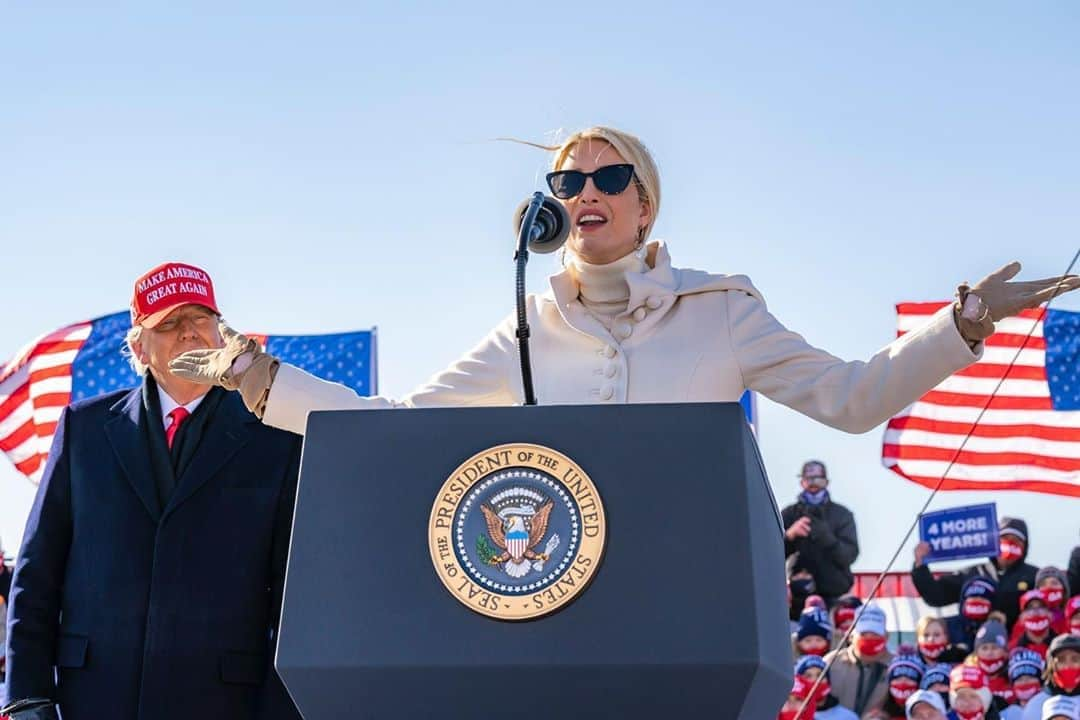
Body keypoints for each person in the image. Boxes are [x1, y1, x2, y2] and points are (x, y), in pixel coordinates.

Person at [168, 125, 1078, 453]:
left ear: (647, 206)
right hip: (559, 609)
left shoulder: (720, 309)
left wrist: (964, 325)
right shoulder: (529, 324)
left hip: (698, 607)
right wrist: (258, 380)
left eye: (609, 180)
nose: (587, 194)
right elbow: (404, 418)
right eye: (568, 184)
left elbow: (850, 398)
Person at [1, 263, 303, 720]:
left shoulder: (275, 437)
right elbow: (37, 573)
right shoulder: (83, 430)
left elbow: (290, 594)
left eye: (201, 318)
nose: (189, 333)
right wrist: (26, 696)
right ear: (139, 347)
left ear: (223, 335)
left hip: (223, 703)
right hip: (95, 700)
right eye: (170, 323)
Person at [914, 519, 1039, 630]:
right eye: (1005, 539)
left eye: (1016, 540)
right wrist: (920, 566)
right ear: (994, 542)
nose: (1010, 544)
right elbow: (935, 595)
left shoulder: (1034, 576)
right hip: (976, 647)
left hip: (1017, 646)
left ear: (1025, 546)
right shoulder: (973, 574)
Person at [782, 460, 860, 607]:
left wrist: (827, 538)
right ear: (802, 482)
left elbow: (850, 555)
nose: (813, 484)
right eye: (808, 479)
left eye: (818, 479)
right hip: (798, 598)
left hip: (835, 597)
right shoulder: (788, 514)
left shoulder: (842, 515)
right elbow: (771, 555)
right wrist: (790, 536)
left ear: (826, 482)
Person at [826, 603, 894, 716]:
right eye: (863, 634)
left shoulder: (895, 667)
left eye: (875, 634)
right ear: (851, 635)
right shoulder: (830, 663)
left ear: (886, 636)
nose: (869, 639)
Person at [1022, 634, 1080, 720]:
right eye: (1061, 660)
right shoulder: (1036, 706)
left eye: (1075, 659)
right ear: (1050, 665)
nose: (1068, 666)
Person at [793, 655, 860, 719]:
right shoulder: (791, 716)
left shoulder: (848, 717)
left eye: (820, 675)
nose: (815, 680)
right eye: (808, 676)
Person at [881, 649, 927, 719]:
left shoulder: (929, 713)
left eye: (910, 678)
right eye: (897, 678)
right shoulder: (877, 711)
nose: (903, 683)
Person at [1012, 590, 1058, 659]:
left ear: (1051, 615)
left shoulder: (1062, 645)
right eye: (1030, 608)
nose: (1036, 612)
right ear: (1021, 617)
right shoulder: (1012, 649)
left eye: (1041, 607)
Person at [1002, 649, 1047, 720]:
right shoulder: (1005, 715)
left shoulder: (1051, 709)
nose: (1024, 682)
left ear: (1041, 681)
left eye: (1030, 677)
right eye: (1019, 679)